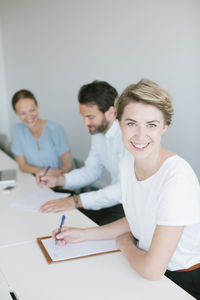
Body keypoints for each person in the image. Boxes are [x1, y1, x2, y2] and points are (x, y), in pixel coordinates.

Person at [51, 79, 200, 299]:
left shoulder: (177, 178)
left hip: (180, 280)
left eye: (151, 124)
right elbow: (137, 220)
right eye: (131, 123)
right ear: (119, 122)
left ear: (164, 126)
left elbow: (152, 270)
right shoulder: (127, 163)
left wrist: (124, 243)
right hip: (146, 264)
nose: (140, 135)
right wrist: (83, 234)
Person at [38, 80, 125, 225]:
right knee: (65, 217)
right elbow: (91, 171)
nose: (85, 123)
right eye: (83, 116)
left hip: (133, 207)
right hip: (113, 198)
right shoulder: (98, 133)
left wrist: (76, 201)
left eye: (90, 117)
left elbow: (122, 190)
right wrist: (60, 180)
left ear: (111, 112)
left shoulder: (130, 137)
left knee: (89, 232)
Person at [12, 89, 73, 176]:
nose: (29, 116)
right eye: (22, 113)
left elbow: (68, 168)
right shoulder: (18, 130)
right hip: (38, 180)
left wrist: (46, 176)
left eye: (32, 110)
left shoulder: (55, 129)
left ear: (37, 106)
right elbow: (22, 166)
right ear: (16, 113)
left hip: (61, 183)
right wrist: (44, 171)